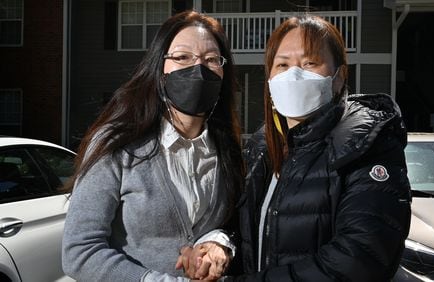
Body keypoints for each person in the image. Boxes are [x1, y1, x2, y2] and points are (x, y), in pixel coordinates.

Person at [179, 15, 412, 281]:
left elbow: (359, 259)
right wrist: (220, 245)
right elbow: (250, 228)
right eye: (282, 64)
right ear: (269, 79)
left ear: (339, 76)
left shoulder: (367, 144)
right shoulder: (263, 147)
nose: (294, 74)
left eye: (310, 63)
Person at [62, 11, 243, 282]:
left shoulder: (228, 150)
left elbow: (232, 224)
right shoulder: (116, 145)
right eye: (182, 57)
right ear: (160, 70)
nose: (199, 68)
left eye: (211, 59)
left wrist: (219, 243)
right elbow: (80, 252)